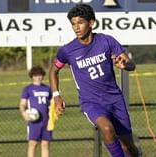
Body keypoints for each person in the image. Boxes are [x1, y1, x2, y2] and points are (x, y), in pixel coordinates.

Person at [49, 4, 140, 157]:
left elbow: (131, 65)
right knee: (106, 128)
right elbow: (53, 71)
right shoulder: (67, 50)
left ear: (91, 23)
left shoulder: (107, 41)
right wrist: (56, 96)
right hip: (91, 102)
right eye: (73, 24)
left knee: (128, 145)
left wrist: (125, 65)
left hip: (115, 99)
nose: (76, 27)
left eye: (80, 23)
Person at [19, 66, 53, 157]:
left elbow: (52, 102)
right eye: (36, 75)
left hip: (46, 121)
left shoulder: (47, 89)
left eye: (40, 75)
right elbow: (22, 104)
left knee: (45, 144)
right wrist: (24, 113)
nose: (39, 77)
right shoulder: (28, 89)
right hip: (34, 122)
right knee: (33, 144)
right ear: (32, 76)